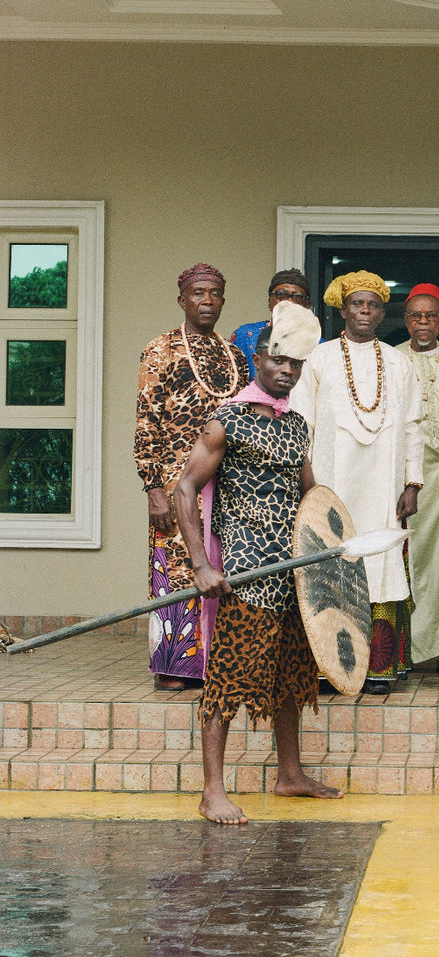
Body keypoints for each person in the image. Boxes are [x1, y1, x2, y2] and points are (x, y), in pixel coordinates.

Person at [173, 301, 339, 825]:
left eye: (296, 364)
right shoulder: (227, 419)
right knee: (229, 678)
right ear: (258, 359)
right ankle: (212, 791)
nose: (286, 370)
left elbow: (313, 499)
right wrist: (201, 565)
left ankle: (289, 775)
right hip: (245, 574)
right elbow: (184, 488)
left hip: (293, 575)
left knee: (291, 677)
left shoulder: (297, 428)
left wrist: (334, 552)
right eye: (278, 360)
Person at [290, 270, 424, 695]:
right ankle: (329, 669)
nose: (364, 312)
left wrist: (412, 483)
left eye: (373, 306)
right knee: (331, 564)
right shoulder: (318, 358)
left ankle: (378, 668)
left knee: (379, 560)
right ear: (342, 309)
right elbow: (299, 424)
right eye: (356, 305)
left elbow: (413, 426)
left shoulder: (400, 362)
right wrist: (308, 486)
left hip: (385, 488)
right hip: (330, 484)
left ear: (383, 313)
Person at [135, 264, 249, 690]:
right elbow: (147, 420)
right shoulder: (160, 349)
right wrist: (153, 488)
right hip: (173, 480)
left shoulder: (235, 355)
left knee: (217, 565)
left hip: (225, 484)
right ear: (182, 300)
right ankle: (172, 666)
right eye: (198, 293)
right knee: (179, 568)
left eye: (215, 293)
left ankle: (213, 662)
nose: (207, 300)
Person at [396, 283, 439, 669]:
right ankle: (403, 650)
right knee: (407, 561)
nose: (423, 322)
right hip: (403, 479)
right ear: (405, 320)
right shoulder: (392, 359)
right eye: (416, 316)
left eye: (431, 316)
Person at [230, 269, 314, 377]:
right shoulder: (245, 336)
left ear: (307, 305)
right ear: (269, 302)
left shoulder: (319, 345)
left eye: (297, 297)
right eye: (281, 295)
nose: (289, 302)